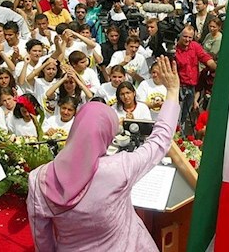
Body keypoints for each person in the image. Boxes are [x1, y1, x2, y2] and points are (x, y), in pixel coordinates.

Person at [27, 56, 180, 250]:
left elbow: (43, 240)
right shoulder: (118, 168)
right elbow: (159, 141)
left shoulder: (38, 179)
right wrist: (173, 91)